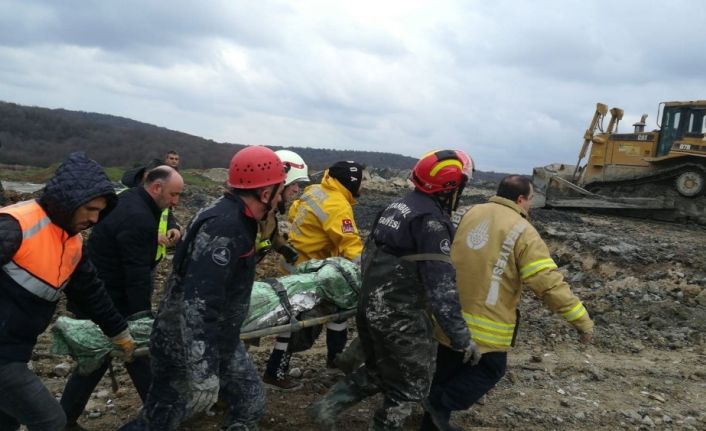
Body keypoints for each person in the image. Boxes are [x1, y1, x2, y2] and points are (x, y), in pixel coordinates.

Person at [308, 150, 481, 431]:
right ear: (450, 187)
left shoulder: (396, 207)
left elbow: (367, 256)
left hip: (371, 307)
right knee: (410, 387)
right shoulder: (432, 222)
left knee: (379, 370)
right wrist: (460, 337)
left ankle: (327, 407)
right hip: (401, 317)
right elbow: (441, 287)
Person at [120, 145, 285, 431]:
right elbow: (198, 304)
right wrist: (204, 372)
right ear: (266, 194)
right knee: (160, 419)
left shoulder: (236, 217)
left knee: (250, 404)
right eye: (279, 190)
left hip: (220, 340)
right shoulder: (226, 228)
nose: (282, 197)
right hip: (183, 344)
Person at [420, 175, 595, 431]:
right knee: (491, 369)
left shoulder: (471, 212)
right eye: (531, 199)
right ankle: (438, 404)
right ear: (521, 199)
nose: (531, 205)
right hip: (485, 321)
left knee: (447, 368)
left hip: (448, 312)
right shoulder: (524, 231)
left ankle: (431, 424)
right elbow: (548, 284)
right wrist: (582, 320)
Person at [0, 152, 135, 431]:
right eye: (90, 209)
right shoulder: (15, 225)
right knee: (51, 421)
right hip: (3, 357)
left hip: (16, 351)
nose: (95, 219)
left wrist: (119, 333)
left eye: (100, 211)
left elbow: (91, 293)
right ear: (68, 201)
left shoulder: (71, 242)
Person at [60, 166, 184, 430]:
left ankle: (65, 418)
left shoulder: (131, 199)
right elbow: (136, 274)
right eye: (173, 195)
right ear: (156, 188)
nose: (176, 202)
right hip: (108, 298)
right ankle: (160, 416)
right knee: (136, 354)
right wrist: (141, 319)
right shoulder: (138, 218)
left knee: (98, 358)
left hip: (98, 293)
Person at [278, 161, 365, 384]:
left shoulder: (315, 190)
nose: (363, 185)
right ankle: (282, 370)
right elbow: (350, 244)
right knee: (309, 319)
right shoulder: (338, 205)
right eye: (362, 181)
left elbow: (292, 213)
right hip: (311, 272)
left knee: (297, 318)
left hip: (293, 263)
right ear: (351, 182)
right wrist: (367, 273)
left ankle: (281, 368)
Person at [258, 150, 312, 391]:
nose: (297, 192)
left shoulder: (266, 213)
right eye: (295, 185)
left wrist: (284, 249)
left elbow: (271, 234)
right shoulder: (249, 216)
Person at [120, 159, 182, 263]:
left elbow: (167, 213)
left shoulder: (159, 197)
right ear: (146, 175)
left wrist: (173, 227)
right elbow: (124, 231)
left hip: (152, 258)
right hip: (129, 263)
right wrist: (151, 236)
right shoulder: (126, 197)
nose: (175, 201)